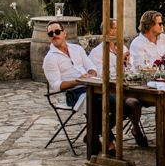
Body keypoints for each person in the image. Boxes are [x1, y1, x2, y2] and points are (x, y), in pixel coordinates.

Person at [43, 20, 113, 155]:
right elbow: (56, 86)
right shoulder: (50, 58)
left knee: (123, 103)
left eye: (57, 32)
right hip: (74, 93)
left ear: (64, 33)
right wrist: (77, 81)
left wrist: (90, 75)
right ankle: (109, 144)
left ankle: (92, 136)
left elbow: (92, 67)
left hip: (92, 86)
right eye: (50, 33)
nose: (54, 35)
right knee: (97, 105)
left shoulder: (77, 49)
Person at [89, 18, 147, 147]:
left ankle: (96, 130)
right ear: (109, 31)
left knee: (149, 98)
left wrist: (127, 64)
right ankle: (135, 129)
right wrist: (120, 62)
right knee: (133, 104)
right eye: (117, 28)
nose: (120, 31)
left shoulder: (123, 47)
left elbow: (131, 69)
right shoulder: (97, 52)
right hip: (110, 89)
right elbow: (101, 75)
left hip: (128, 86)